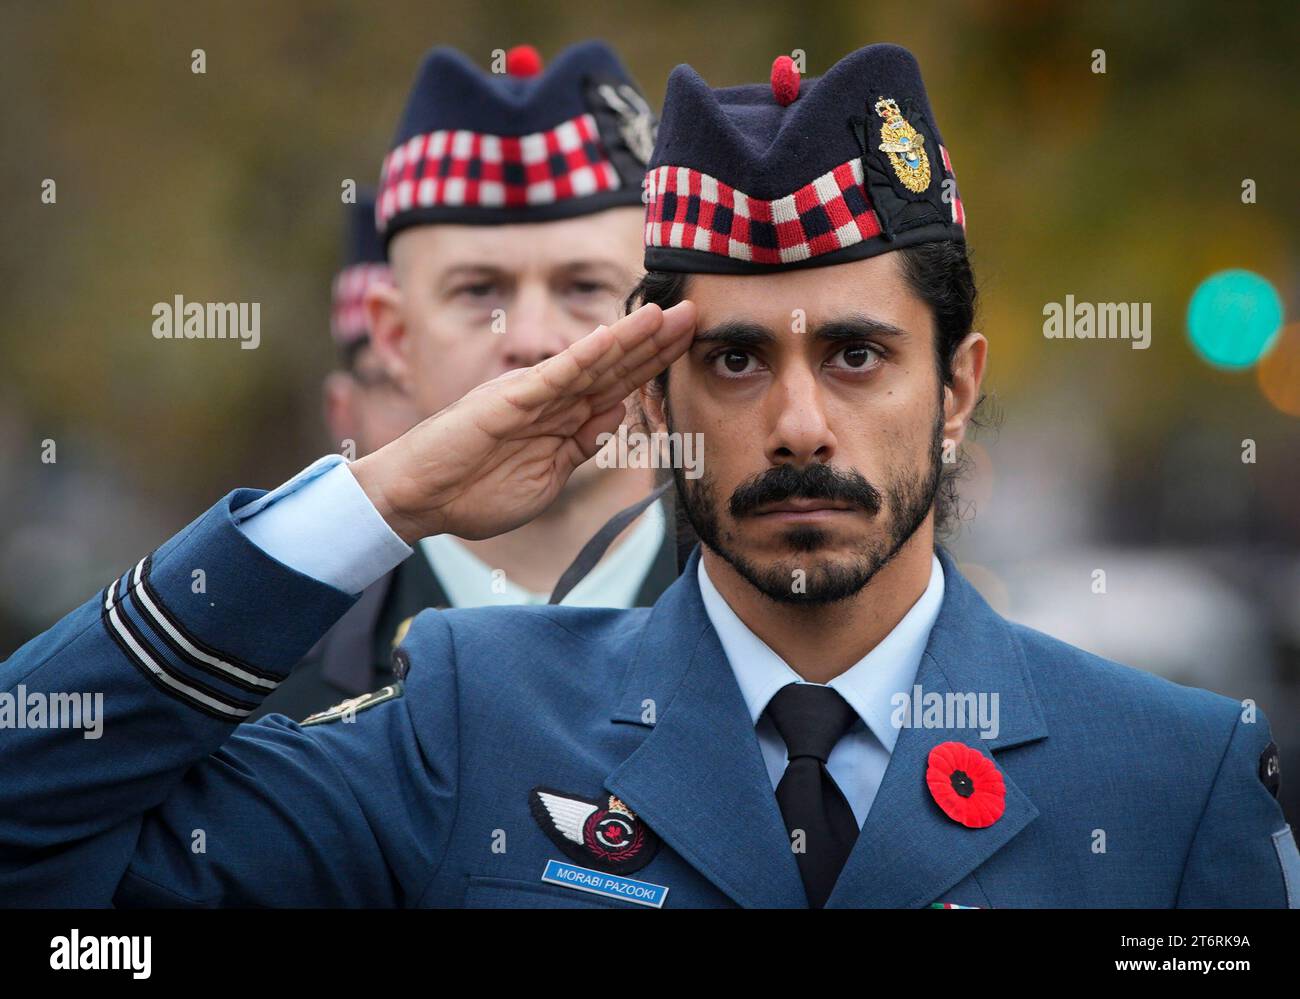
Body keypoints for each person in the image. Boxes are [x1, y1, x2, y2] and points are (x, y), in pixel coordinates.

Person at [0, 44, 1295, 909]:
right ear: (654, 397)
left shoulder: (1172, 779)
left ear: (956, 388)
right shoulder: (470, 722)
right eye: (731, 359)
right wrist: (384, 494)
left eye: (856, 354)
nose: (796, 424)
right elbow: (31, 829)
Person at [252, 43, 679, 721]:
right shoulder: (267, 683)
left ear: (659, 320)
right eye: (480, 290)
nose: (532, 336)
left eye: (584, 286)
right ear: (394, 337)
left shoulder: (782, 634)